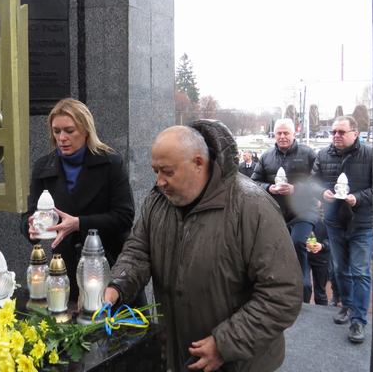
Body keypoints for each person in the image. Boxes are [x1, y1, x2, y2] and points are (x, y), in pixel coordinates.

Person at [104, 121, 302, 372]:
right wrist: (116, 285)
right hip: (179, 355)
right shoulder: (158, 201)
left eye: (167, 172)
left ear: (198, 163)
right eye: (156, 171)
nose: (159, 181)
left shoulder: (252, 206)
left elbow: (283, 293)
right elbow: (138, 250)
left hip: (239, 363)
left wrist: (225, 344)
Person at [20, 98, 135, 301]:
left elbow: (124, 216)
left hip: (107, 263)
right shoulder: (43, 167)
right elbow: (29, 214)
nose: (62, 138)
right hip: (65, 269)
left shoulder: (111, 163)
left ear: (86, 130)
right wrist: (30, 227)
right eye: (56, 131)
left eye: (69, 131)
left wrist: (79, 223)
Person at [311, 115, 373, 344]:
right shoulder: (323, 155)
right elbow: (312, 183)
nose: (336, 135)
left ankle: (358, 320)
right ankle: (346, 306)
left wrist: (357, 198)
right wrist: (322, 193)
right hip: (335, 222)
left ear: (355, 133)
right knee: (340, 269)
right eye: (333, 132)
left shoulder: (371, 155)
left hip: (362, 223)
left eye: (341, 132)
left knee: (360, 271)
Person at [251, 118, 319, 304]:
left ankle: (304, 290)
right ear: (274, 135)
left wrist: (296, 189)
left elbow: (318, 182)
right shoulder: (266, 156)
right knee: (276, 251)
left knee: (297, 242)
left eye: (286, 133)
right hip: (277, 213)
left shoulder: (307, 154)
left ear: (294, 134)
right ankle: (281, 293)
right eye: (279, 133)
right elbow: (254, 182)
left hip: (304, 211)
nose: (282, 136)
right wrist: (269, 188)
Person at [306, 215, 331, 306]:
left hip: (322, 257)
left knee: (320, 292)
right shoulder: (300, 216)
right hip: (305, 255)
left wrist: (322, 246)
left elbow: (334, 239)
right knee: (305, 286)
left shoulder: (327, 216)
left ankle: (322, 311)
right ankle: (304, 309)